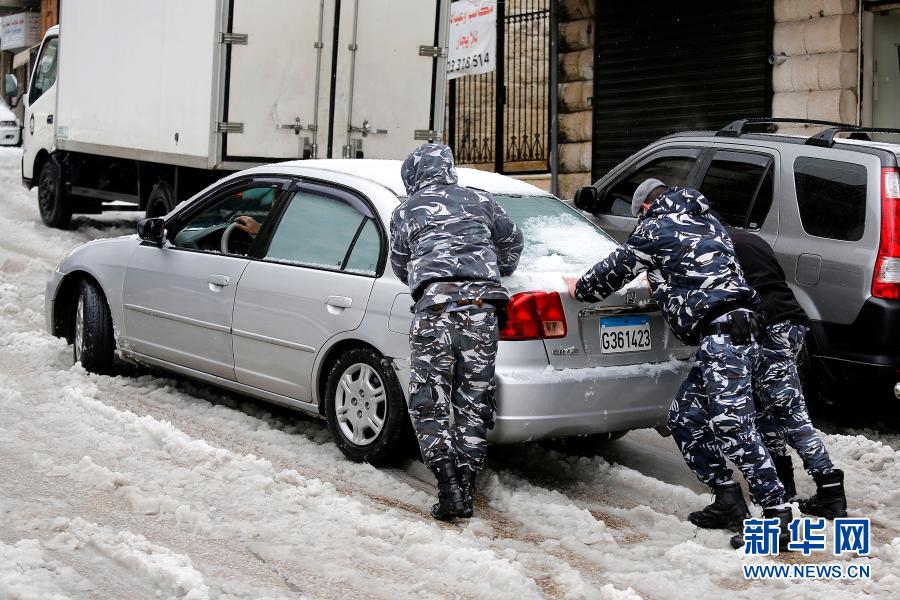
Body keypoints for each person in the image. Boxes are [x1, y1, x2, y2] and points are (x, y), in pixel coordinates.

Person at [563, 178, 791, 548]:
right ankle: (727, 499)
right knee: (684, 418)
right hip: (732, 332)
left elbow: (601, 281)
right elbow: (693, 271)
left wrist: (578, 287)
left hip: (725, 336)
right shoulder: (706, 220)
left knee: (734, 426)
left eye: (639, 216)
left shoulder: (655, 228)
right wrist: (665, 284)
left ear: (646, 209)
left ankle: (777, 518)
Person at [390, 143, 523, 521]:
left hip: (435, 310)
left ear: (413, 175)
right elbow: (512, 243)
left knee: (429, 397)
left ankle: (448, 487)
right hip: (483, 311)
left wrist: (429, 274)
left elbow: (401, 263)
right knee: (475, 398)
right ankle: (466, 485)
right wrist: (494, 268)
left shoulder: (405, 210)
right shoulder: (481, 200)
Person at [727, 226, 847, 519]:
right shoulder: (750, 238)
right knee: (767, 407)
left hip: (771, 325)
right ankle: (783, 485)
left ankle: (830, 490)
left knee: (789, 412)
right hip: (790, 319)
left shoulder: (716, 242)